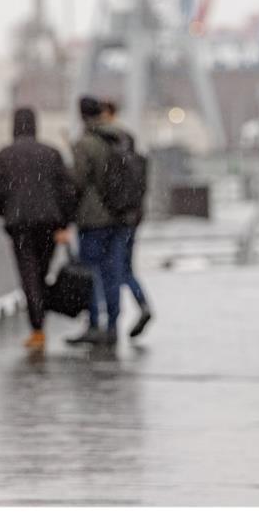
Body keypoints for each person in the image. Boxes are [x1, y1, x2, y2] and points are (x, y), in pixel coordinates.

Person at [0, 108, 77, 351]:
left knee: (28, 273)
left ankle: (37, 328)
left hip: (19, 224)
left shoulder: (4, 156)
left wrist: (5, 212)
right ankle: (41, 313)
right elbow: (67, 190)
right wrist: (64, 223)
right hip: (49, 222)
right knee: (42, 270)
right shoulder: (51, 153)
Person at [66, 96, 131, 346]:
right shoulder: (121, 137)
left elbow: (78, 182)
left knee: (91, 272)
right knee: (113, 271)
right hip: (119, 215)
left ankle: (94, 323)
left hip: (92, 219)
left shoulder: (86, 143)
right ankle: (113, 325)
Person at [100, 99, 154, 337]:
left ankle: (113, 323)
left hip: (117, 218)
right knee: (126, 268)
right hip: (134, 216)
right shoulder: (132, 149)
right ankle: (142, 305)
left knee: (114, 270)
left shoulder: (109, 144)